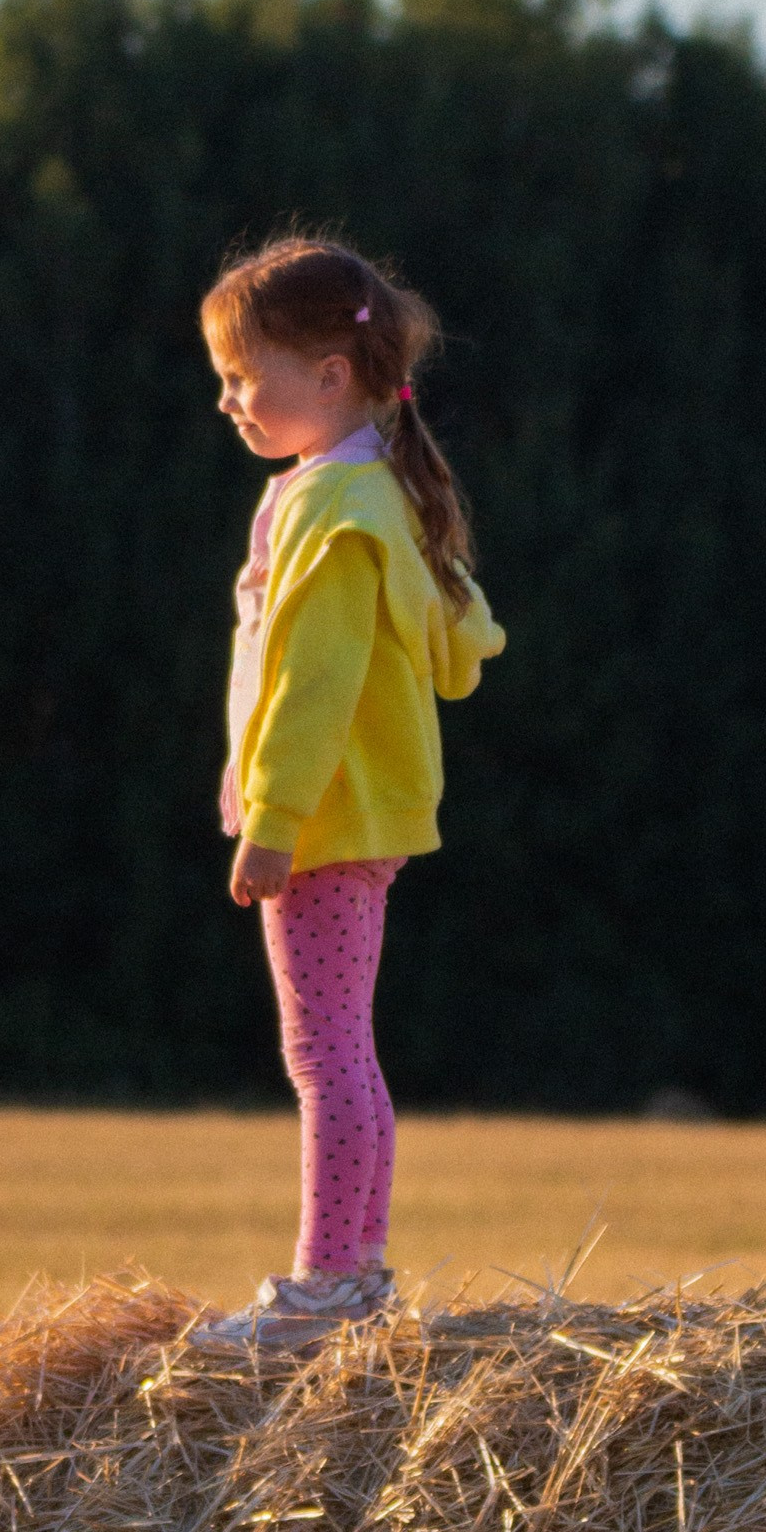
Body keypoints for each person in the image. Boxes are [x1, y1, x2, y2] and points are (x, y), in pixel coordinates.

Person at [194, 239, 502, 1352]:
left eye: (244, 375)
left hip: (323, 818)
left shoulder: (337, 509)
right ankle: (355, 1276)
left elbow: (314, 684)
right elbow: (461, 638)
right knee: (346, 1052)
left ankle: (326, 1288)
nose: (226, 400)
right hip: (362, 814)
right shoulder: (375, 493)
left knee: (322, 1058)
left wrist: (271, 823)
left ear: (331, 373)